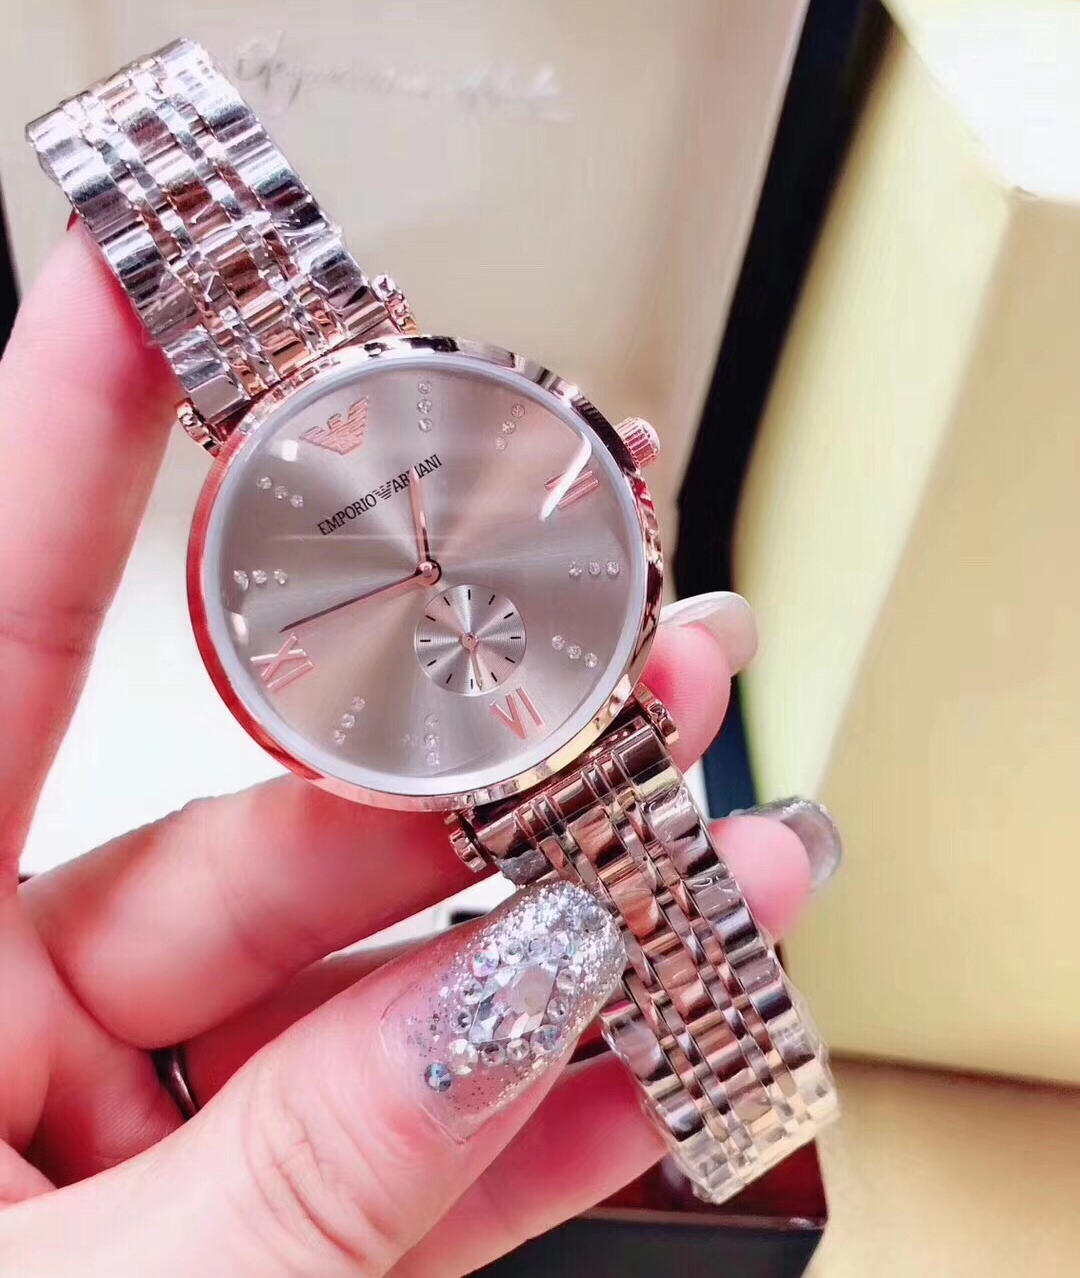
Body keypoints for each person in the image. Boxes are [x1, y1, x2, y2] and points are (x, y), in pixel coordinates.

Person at [0, 225, 830, 1276]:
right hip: (497, 750)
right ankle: (752, 1103)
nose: (430, 572)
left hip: (572, 709)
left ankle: (754, 1100)